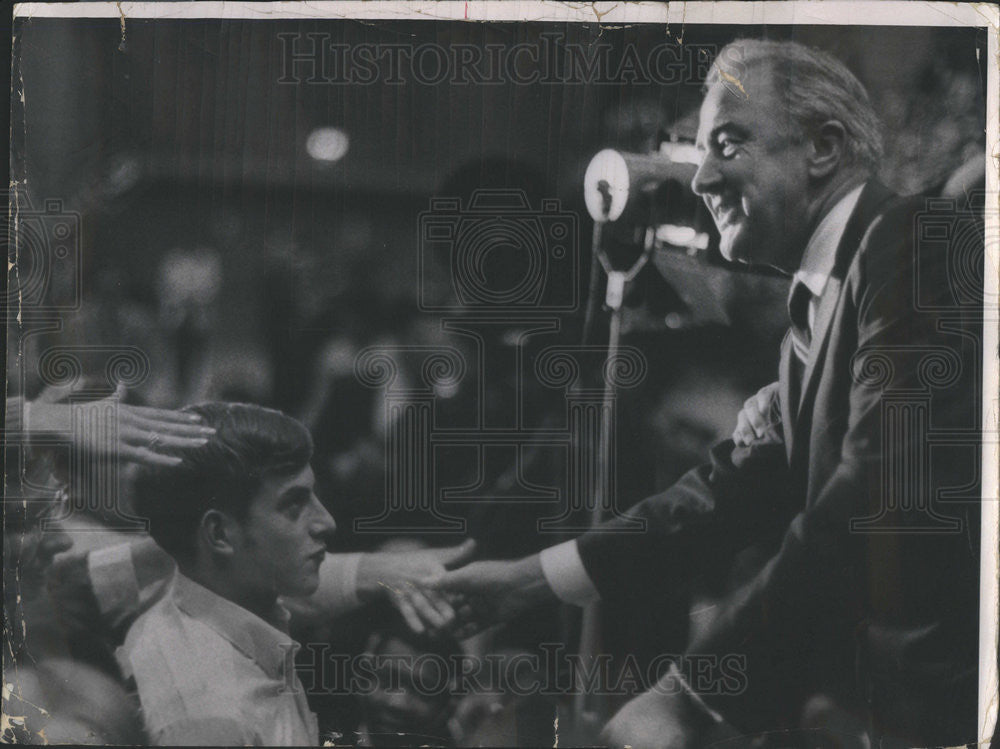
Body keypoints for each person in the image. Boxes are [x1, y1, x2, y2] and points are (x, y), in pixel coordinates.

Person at [434, 38, 981, 747]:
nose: (700, 181)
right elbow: (728, 493)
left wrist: (689, 697)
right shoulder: (820, 302)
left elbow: (875, 496)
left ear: (823, 147)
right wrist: (533, 576)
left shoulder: (913, 242)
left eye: (726, 144)